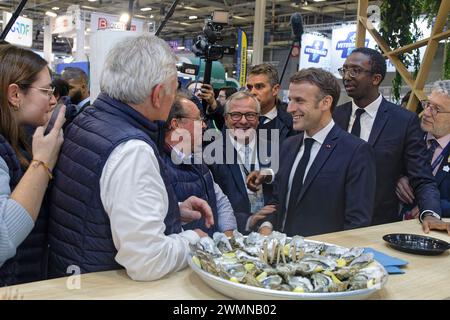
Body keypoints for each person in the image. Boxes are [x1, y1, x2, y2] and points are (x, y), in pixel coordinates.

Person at [48, 34, 212, 281]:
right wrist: (193, 240)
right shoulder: (131, 150)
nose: (175, 96)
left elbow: (104, 203)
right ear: (157, 95)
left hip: (73, 278)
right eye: (174, 87)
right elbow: (147, 260)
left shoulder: (89, 120)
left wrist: (171, 210)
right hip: (103, 289)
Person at [249, 68, 375, 236]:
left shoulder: (355, 152)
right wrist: (266, 226)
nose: (290, 108)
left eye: (299, 101)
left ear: (325, 102)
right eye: (290, 100)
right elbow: (278, 201)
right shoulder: (288, 146)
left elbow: (357, 223)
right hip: (280, 254)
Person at [333, 47, 444, 233]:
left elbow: (422, 178)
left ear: (376, 79)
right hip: (332, 224)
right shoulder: (334, 117)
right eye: (344, 70)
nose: (347, 76)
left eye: (355, 70)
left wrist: (430, 214)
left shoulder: (403, 121)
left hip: (377, 226)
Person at [0, 44, 65, 285]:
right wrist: (42, 162)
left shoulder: (18, 137)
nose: (53, 100)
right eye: (46, 91)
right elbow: (2, 238)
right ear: (15, 94)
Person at [162, 91, 237, 236]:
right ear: (175, 124)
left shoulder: (198, 159)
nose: (204, 125)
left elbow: (220, 200)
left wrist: (229, 236)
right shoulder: (159, 165)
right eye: (198, 120)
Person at [209, 91, 276, 233]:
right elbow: (214, 205)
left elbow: (282, 187)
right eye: (236, 115)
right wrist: (248, 221)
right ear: (226, 119)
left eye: (250, 115)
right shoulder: (212, 155)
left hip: (273, 232)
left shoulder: (275, 149)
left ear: (258, 119)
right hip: (233, 235)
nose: (244, 121)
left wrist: (266, 223)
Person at [396, 80, 450, 234]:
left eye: (436, 109)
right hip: (394, 225)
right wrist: (397, 178)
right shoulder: (409, 136)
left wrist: (431, 208)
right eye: (427, 104)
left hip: (437, 233)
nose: (426, 112)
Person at [246, 63, 296, 143]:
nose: (252, 92)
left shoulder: (292, 121)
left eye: (259, 87)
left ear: (275, 90)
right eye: (249, 87)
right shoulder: (236, 117)